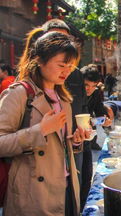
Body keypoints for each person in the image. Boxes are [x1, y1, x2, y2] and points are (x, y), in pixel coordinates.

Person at [0, 32, 91, 215]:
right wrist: (40, 130)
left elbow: (59, 147)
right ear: (39, 61)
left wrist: (75, 141)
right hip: (33, 195)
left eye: (71, 66)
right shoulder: (19, 94)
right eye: (61, 65)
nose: (67, 71)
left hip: (65, 187)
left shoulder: (63, 98)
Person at [80, 64, 112, 210]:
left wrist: (106, 121)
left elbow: (100, 113)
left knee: (87, 177)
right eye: (86, 85)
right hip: (72, 141)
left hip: (87, 140)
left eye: (93, 86)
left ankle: (83, 209)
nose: (89, 89)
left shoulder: (95, 93)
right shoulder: (72, 93)